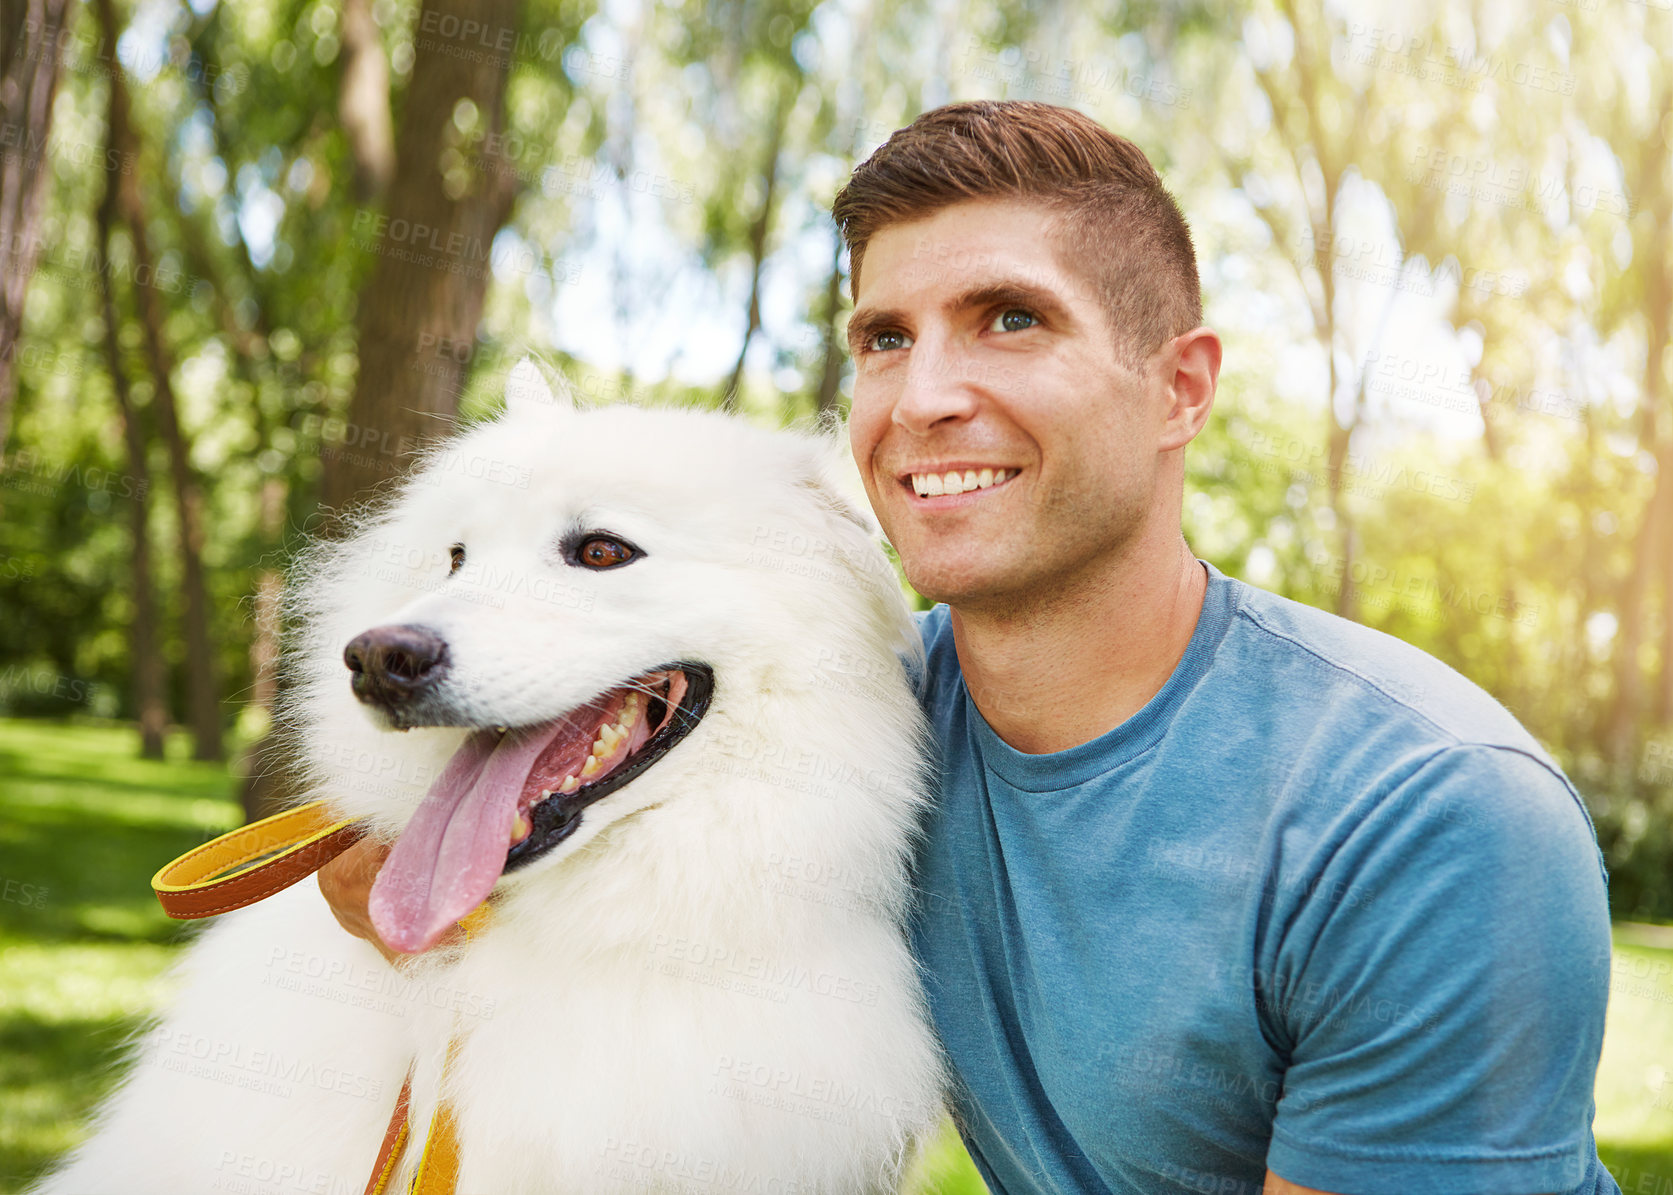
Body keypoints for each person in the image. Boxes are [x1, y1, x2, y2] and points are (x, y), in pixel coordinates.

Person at [322, 100, 1620, 1195]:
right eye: (884, 338)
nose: (925, 397)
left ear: (1180, 386)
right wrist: (426, 860)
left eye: (1010, 319)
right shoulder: (837, 732)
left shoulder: (1429, 819)